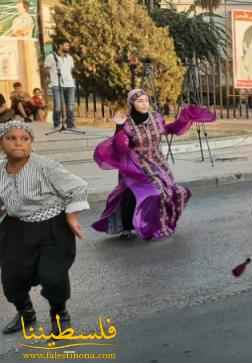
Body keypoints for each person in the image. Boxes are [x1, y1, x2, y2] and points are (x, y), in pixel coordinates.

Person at [0, 121, 89, 335]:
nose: (18, 143)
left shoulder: (46, 166)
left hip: (52, 226)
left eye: (25, 139)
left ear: (31, 143)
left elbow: (77, 187)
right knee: (11, 276)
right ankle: (26, 313)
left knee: (53, 276)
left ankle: (59, 314)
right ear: (1, 142)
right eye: (11, 138)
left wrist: (72, 217)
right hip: (16, 227)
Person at [92, 89, 206, 240]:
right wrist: (119, 127)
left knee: (168, 192)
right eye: (140, 101)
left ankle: (157, 224)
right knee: (134, 195)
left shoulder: (156, 118)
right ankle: (127, 227)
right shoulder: (127, 124)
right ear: (132, 103)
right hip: (135, 164)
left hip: (157, 162)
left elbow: (171, 129)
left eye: (146, 100)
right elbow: (121, 147)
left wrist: (186, 118)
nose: (145, 104)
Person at [44, 41, 77, 129]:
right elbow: (46, 69)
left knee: (70, 105)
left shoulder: (70, 58)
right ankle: (57, 124)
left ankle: (70, 124)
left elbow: (70, 70)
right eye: (66, 45)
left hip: (70, 84)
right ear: (60, 45)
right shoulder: (51, 57)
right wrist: (50, 78)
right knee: (58, 105)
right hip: (56, 84)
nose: (68, 47)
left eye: (68, 46)